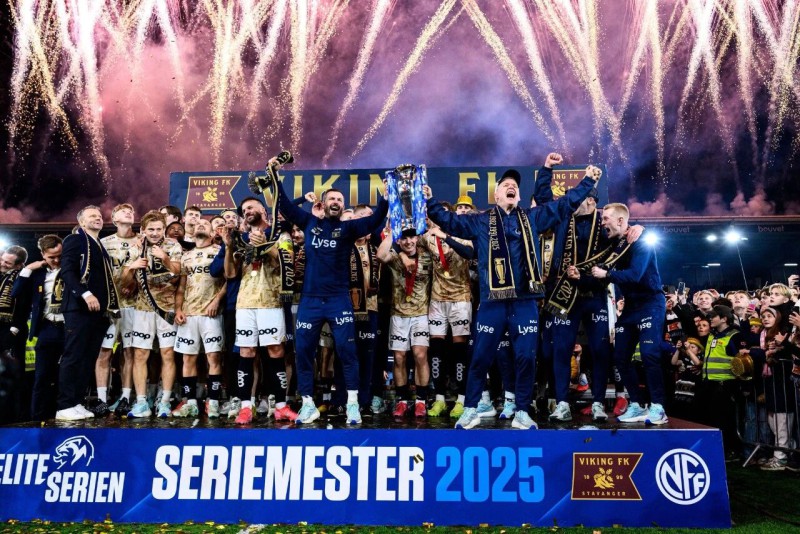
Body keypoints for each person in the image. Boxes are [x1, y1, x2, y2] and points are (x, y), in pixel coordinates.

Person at [425, 157, 600, 430]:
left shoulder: (533, 217)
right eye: (505, 184)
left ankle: (522, 411)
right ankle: (470, 409)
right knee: (480, 357)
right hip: (492, 303)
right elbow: (449, 221)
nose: (511, 187)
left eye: (515, 186)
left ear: (518, 196)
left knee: (526, 358)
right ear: (496, 195)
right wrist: (429, 201)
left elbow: (564, 205)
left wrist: (588, 181)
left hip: (525, 301)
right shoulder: (480, 221)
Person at [276, 172, 388, 425]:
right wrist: (276, 179)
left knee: (347, 352)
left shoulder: (348, 229)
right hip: (310, 300)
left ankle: (352, 404)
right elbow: (284, 207)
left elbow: (376, 220)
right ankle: (308, 404)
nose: (336, 202)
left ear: (342, 205)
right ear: (324, 204)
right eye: (332, 199)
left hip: (339, 299)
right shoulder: (309, 223)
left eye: (340, 199)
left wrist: (385, 197)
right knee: (304, 352)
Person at [588, 203, 669, 425]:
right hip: (631, 307)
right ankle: (637, 404)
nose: (602, 223)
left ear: (621, 221)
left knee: (649, 354)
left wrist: (606, 274)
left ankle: (658, 407)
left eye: (606, 218)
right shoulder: (613, 244)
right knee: (620, 357)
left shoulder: (640, 241)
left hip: (651, 303)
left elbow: (635, 275)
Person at [221, 196, 296, 424]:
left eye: (251, 207)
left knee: (275, 351)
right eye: (244, 210)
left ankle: (281, 406)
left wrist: (265, 245)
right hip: (244, 304)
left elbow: (288, 264)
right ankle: (246, 406)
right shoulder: (241, 240)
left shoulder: (281, 235)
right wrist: (228, 247)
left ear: (263, 209)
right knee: (246, 353)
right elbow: (230, 274)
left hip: (270, 302)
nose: (247, 211)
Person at [56, 206, 119, 421]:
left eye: (100, 216)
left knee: (88, 358)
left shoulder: (99, 245)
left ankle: (76, 401)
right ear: (81, 222)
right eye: (92, 216)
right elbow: (67, 271)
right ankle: (64, 405)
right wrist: (85, 293)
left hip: (98, 312)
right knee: (74, 356)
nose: (98, 218)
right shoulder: (75, 240)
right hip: (79, 308)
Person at [122, 210, 183, 418]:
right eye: (151, 229)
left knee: (168, 354)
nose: (155, 233)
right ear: (143, 230)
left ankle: (164, 401)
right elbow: (124, 282)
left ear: (164, 229)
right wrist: (132, 267)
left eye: (158, 229)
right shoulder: (135, 247)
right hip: (143, 308)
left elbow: (178, 274)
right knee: (140, 354)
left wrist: (164, 258)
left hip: (167, 309)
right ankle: (141, 402)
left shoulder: (173, 246)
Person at [172, 219, 227, 418]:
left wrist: (216, 301)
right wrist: (178, 309)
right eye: (198, 224)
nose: (201, 225)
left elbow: (229, 280)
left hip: (211, 314)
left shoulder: (219, 251)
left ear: (213, 233)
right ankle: (191, 402)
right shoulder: (186, 256)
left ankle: (213, 402)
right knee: (188, 358)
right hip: (189, 314)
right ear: (192, 231)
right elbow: (181, 286)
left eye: (206, 224)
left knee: (213, 357)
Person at [420, 220, 474, 417]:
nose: (437, 223)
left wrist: (446, 237)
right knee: (436, 351)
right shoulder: (428, 237)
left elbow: (469, 253)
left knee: (460, 351)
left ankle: (461, 400)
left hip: (460, 299)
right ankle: (440, 399)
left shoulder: (464, 235)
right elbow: (406, 246)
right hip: (437, 300)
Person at [377, 230, 432, 418]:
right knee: (399, 358)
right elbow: (380, 255)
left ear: (417, 238)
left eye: (412, 237)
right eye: (404, 238)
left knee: (420, 355)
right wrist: (393, 233)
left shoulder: (427, 255)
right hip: (398, 315)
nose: (409, 242)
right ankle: (401, 400)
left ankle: (421, 401)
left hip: (421, 314)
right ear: (399, 241)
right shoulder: (394, 257)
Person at [12, 235, 63, 421]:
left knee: (65, 376)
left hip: (70, 328)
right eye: (51, 257)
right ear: (43, 255)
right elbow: (16, 293)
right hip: (47, 328)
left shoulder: (72, 269)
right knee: (42, 376)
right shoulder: (37, 274)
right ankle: (37, 418)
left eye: (59, 255)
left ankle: (63, 414)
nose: (56, 260)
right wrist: (27, 269)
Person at [98, 203, 141, 417]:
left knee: (129, 351)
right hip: (110, 306)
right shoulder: (103, 243)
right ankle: (101, 399)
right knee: (104, 352)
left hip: (134, 304)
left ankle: (125, 397)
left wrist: (134, 283)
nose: (129, 213)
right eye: (123, 211)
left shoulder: (141, 241)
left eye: (131, 211)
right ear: (114, 219)